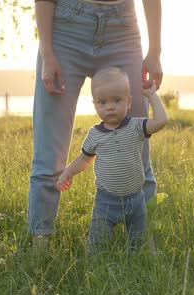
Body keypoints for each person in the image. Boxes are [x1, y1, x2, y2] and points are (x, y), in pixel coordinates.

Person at [29, 0, 162, 250]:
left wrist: (155, 50)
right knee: (49, 153)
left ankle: (146, 243)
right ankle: (40, 247)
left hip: (122, 29)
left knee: (138, 149)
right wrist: (46, 52)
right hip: (65, 29)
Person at [55, 67, 168, 254]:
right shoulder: (95, 134)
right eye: (102, 102)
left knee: (137, 246)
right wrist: (69, 171)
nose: (110, 106)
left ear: (128, 102)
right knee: (96, 247)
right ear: (95, 105)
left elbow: (161, 121)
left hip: (135, 199)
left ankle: (136, 262)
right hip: (105, 201)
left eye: (117, 100)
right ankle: (93, 268)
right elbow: (85, 158)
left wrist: (151, 95)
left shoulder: (136, 126)